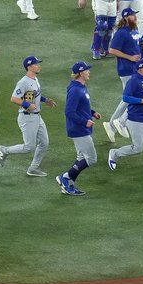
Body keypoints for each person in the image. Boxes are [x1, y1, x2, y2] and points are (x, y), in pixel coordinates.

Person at [0, 56, 55, 176]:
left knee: (44, 143)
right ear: (29, 67)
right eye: (36, 64)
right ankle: (4, 150)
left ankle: (33, 168)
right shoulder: (23, 82)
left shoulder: (34, 79)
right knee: (29, 147)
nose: (39, 65)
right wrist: (26, 104)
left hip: (37, 117)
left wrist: (45, 100)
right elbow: (14, 98)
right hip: (27, 118)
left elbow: (34, 95)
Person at [107, 59, 143, 180]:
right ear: (140, 68)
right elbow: (125, 98)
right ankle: (115, 153)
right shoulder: (133, 81)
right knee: (137, 148)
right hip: (136, 120)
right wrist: (141, 101)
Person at [56, 62, 103, 196]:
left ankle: (69, 185)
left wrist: (92, 112)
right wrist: (84, 121)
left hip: (81, 128)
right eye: (87, 70)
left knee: (81, 157)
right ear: (81, 73)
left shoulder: (81, 86)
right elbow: (69, 111)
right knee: (91, 158)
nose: (89, 72)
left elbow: (81, 106)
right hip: (78, 129)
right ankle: (64, 177)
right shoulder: (76, 89)